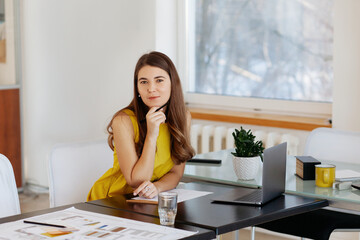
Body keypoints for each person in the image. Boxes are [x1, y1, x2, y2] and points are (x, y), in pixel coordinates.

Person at [87, 51, 195, 201]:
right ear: (137, 88)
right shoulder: (123, 121)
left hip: (148, 201)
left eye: (159, 80)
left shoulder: (183, 117)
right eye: (144, 82)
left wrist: (157, 187)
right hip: (113, 200)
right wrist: (152, 134)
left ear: (172, 83)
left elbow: (176, 173)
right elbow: (136, 181)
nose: (151, 88)